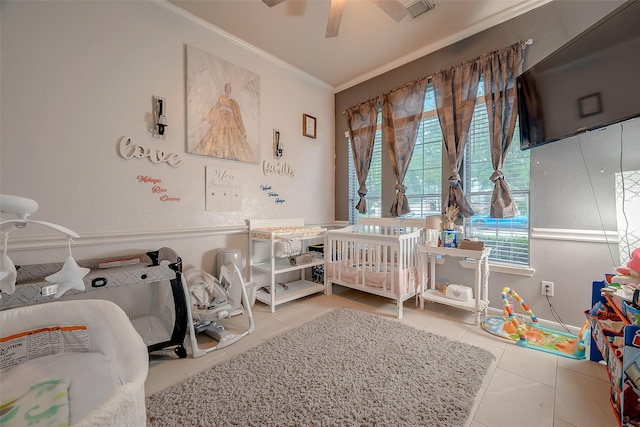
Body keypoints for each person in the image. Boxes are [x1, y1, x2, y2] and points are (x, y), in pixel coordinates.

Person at [192, 83, 255, 162]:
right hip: (220, 120)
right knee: (217, 136)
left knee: (232, 138)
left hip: (230, 122)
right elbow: (215, 108)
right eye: (226, 88)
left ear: (230, 90)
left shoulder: (233, 103)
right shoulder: (221, 98)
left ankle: (229, 154)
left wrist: (242, 131)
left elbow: (238, 117)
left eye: (229, 88)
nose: (227, 90)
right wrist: (208, 117)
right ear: (225, 89)